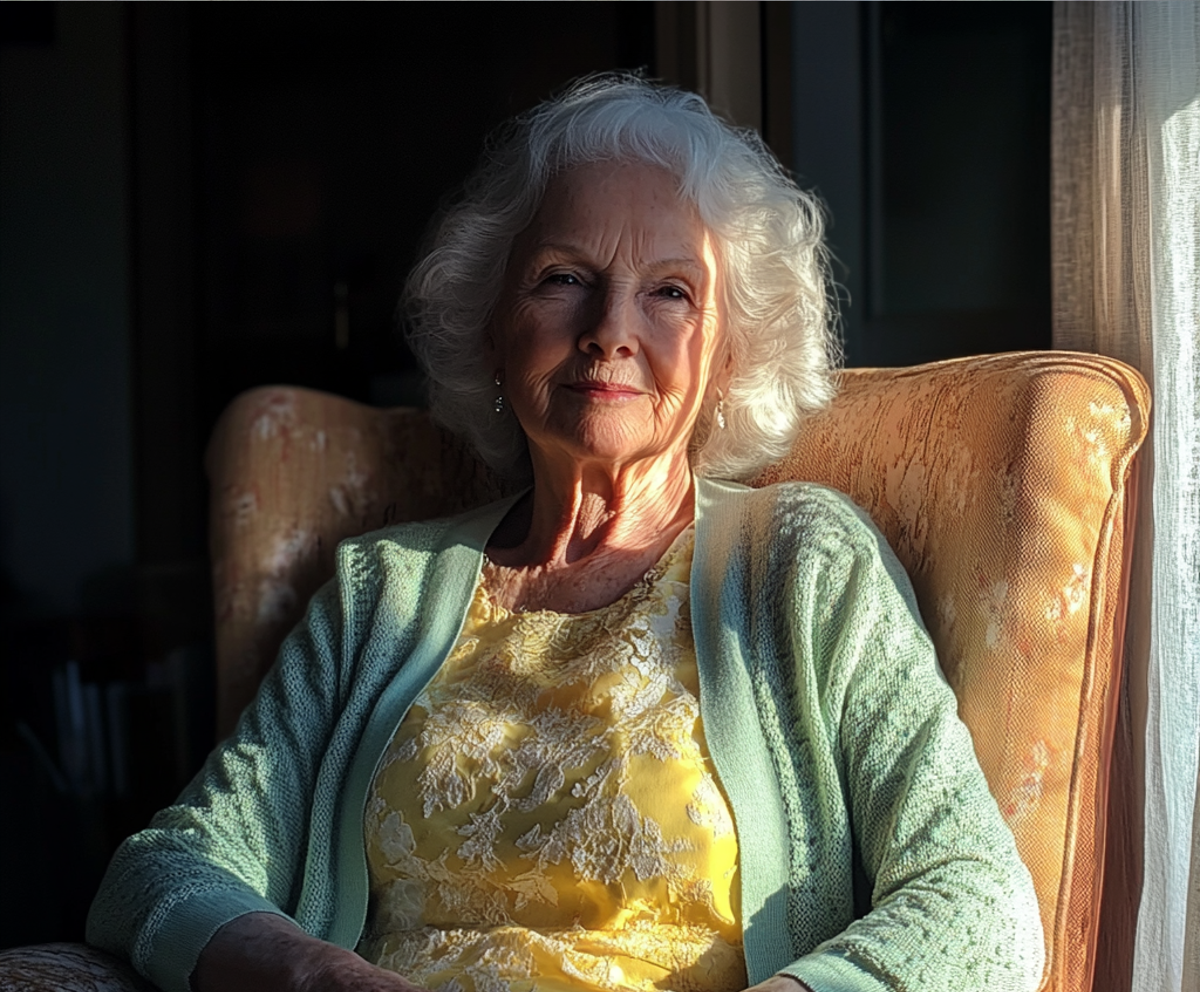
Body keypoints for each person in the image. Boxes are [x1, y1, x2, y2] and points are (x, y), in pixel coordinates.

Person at [88, 75, 1044, 992]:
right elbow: (165, 872)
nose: (609, 330)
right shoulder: (383, 592)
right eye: (563, 278)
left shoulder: (801, 566)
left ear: (728, 357)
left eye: (671, 291)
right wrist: (321, 975)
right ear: (491, 323)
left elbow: (979, 904)